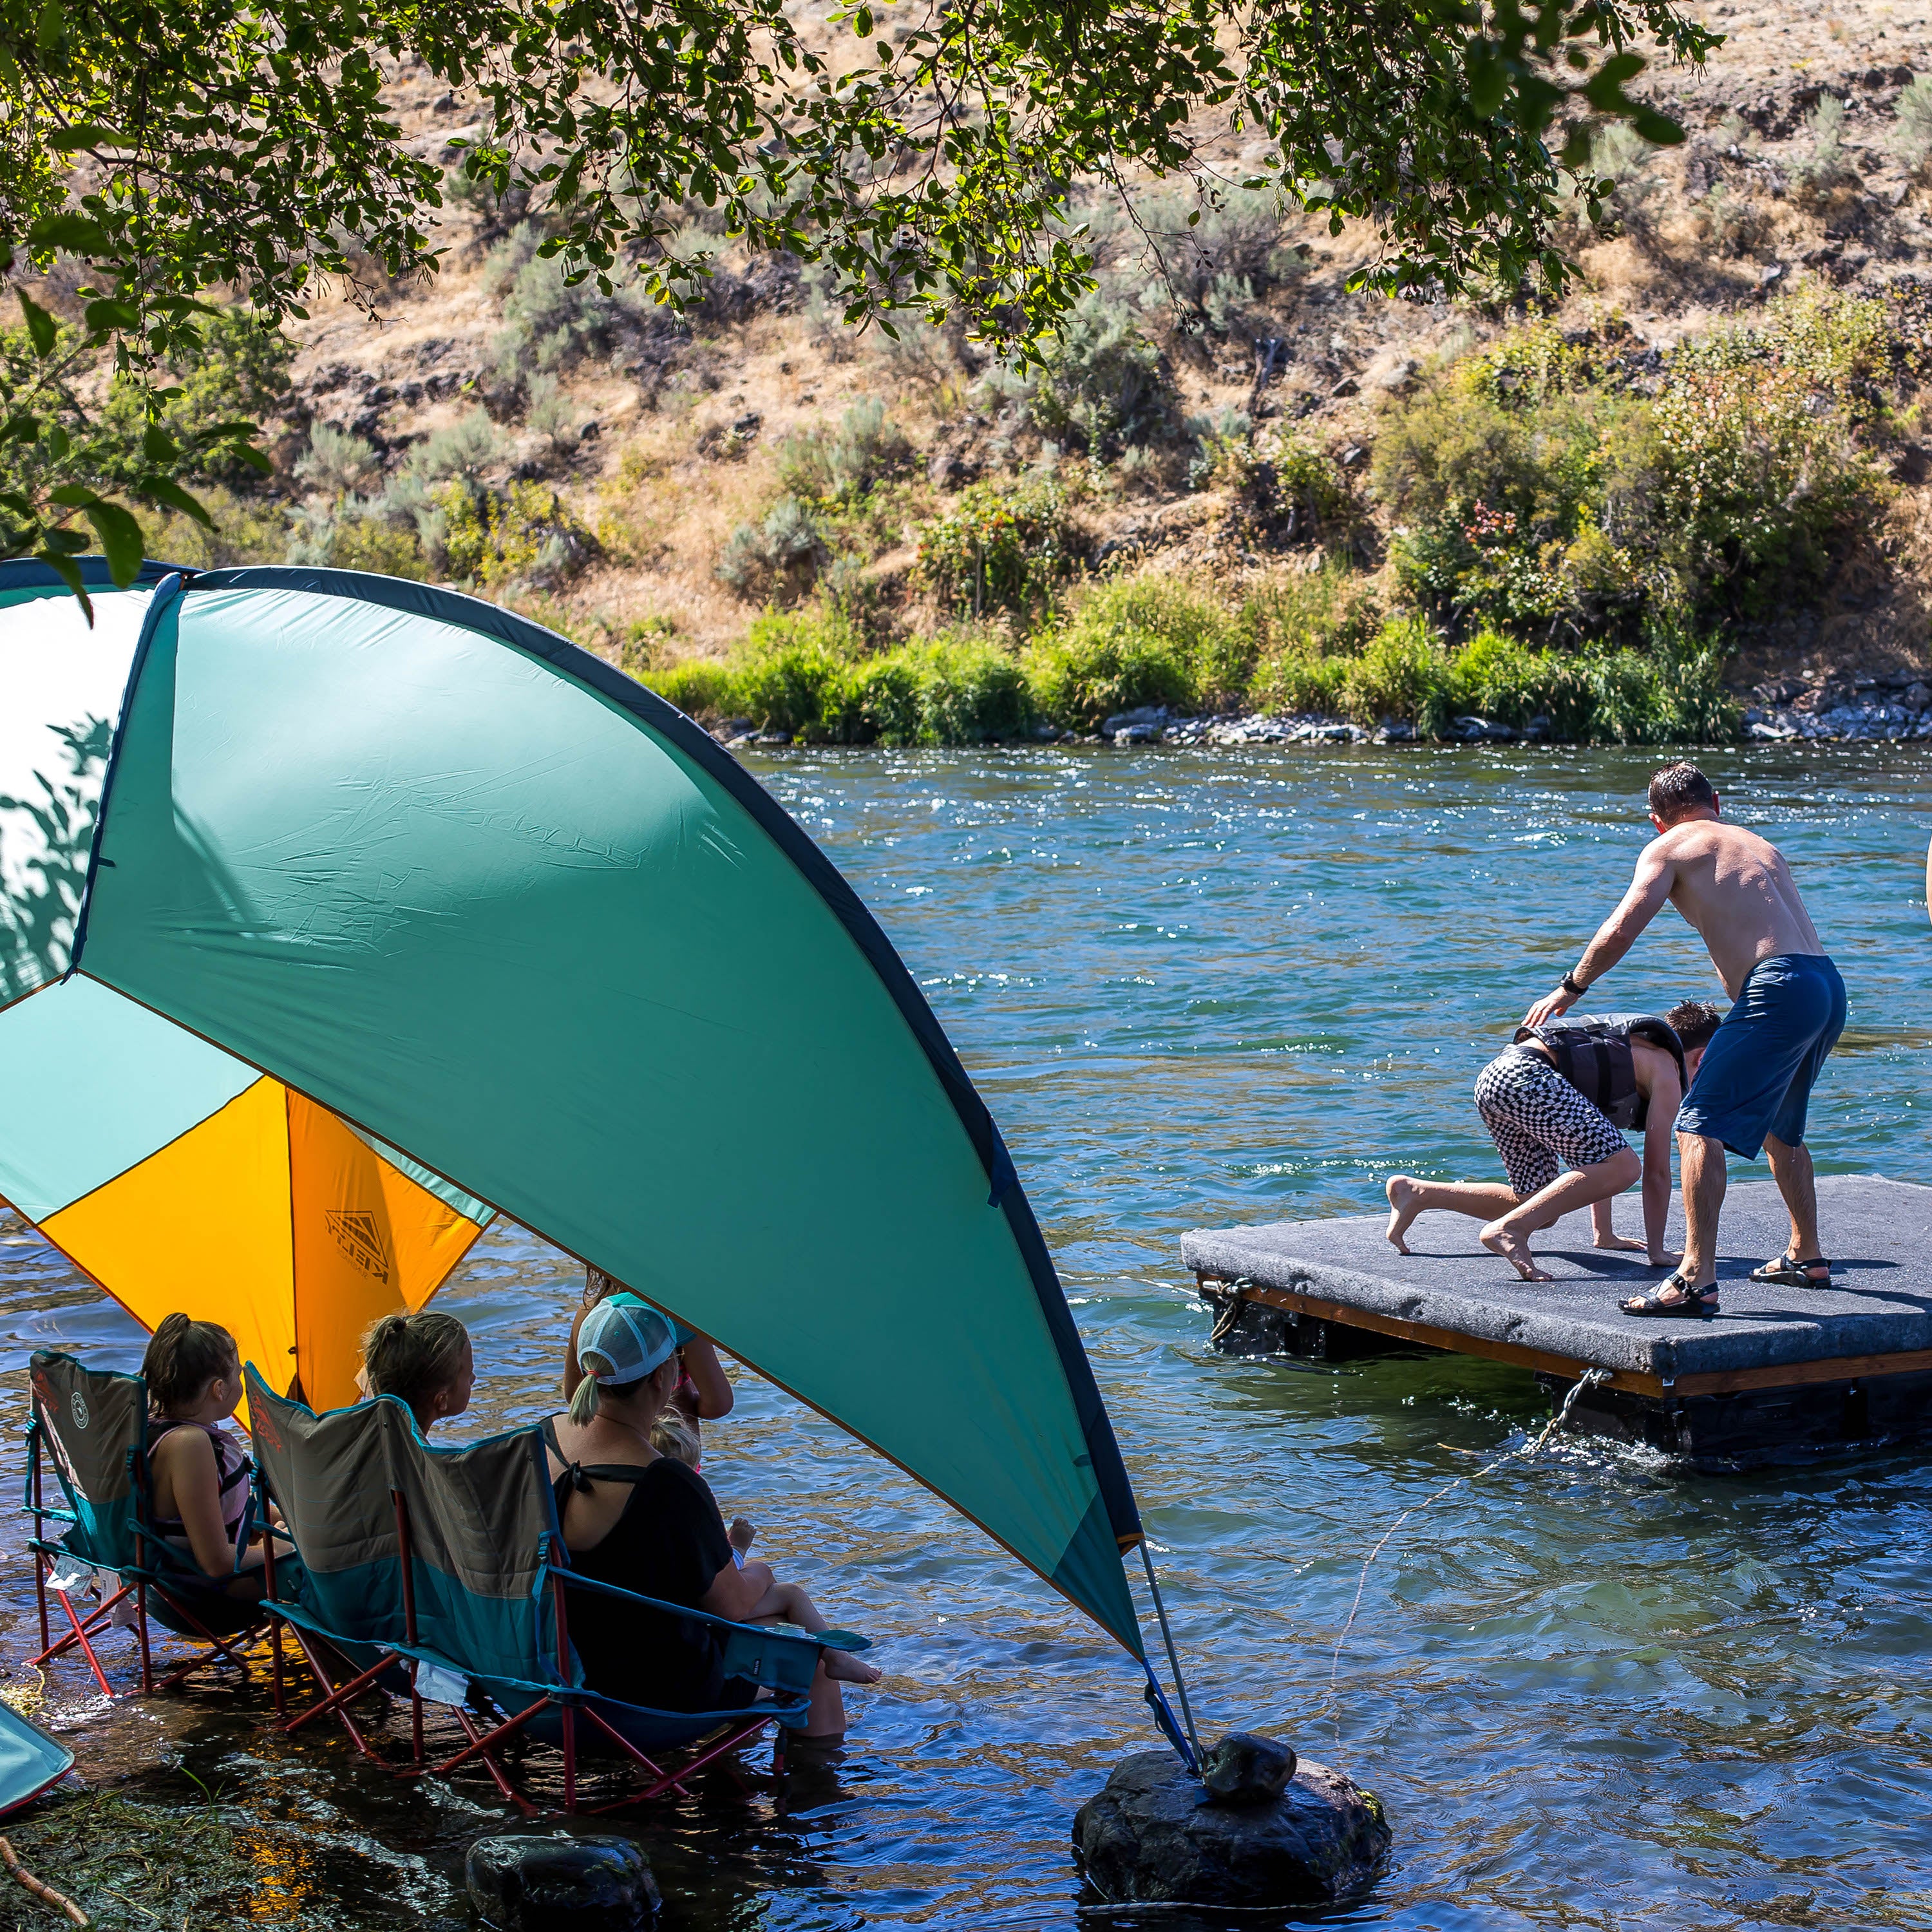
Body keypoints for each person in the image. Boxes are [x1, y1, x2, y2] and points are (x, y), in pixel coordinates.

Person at [1522, 761, 1846, 1318]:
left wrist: (1570, 988)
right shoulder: (1758, 844)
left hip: (1778, 989)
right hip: (1826, 984)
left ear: (1657, 821)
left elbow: (1624, 925)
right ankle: (1805, 1256)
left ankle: (1695, 1278)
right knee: (1781, 1129)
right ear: (1715, 802)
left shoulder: (1670, 848)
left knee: (1696, 1124)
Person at [543, 1294, 879, 1741]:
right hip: (640, 1693)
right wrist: (761, 1571)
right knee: (809, 1660)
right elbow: (731, 1604)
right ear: (664, 1377)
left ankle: (732, 1773)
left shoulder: (540, 1441)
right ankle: (821, 1791)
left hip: (549, 1667)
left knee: (766, 1628)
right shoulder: (667, 1481)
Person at [1387, 1002, 1722, 1281]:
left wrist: (1603, 1235)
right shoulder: (1665, 1072)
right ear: (1702, 1058)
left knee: (1538, 1202)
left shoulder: (1632, 1051)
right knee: (1625, 1166)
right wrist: (1657, 1250)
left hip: (1495, 1077)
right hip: (1527, 1076)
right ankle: (1510, 1230)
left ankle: (1417, 1193)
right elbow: (1657, 1173)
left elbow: (1597, 1149)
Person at [143, 1314, 285, 1600]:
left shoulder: (155, 1427)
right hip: (202, 1598)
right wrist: (280, 1551)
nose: (241, 1381)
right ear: (219, 1389)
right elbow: (217, 1562)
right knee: (331, 1570)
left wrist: (294, 1523)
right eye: (238, 1374)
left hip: (163, 1589)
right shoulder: (190, 1445)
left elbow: (221, 1511)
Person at [564, 1267, 732, 1460]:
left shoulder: (589, 1312)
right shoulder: (679, 1318)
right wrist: (682, 1397)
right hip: (670, 1451)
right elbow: (719, 1404)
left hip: (606, 1451)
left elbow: (573, 1393)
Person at [362, 1311, 474, 1436]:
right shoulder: (414, 1455)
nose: (473, 1379)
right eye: (469, 1374)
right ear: (442, 1400)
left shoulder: (358, 1440)